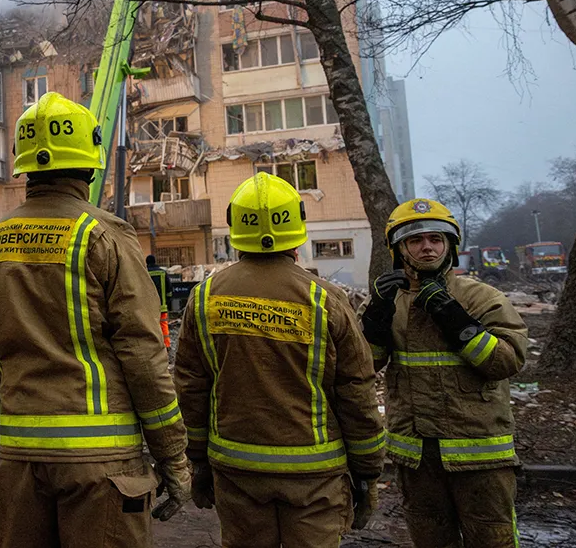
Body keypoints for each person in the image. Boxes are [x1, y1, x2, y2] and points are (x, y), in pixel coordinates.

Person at [0, 92, 191, 548]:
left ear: (25, 167)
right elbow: (144, 355)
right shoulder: (104, 236)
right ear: (89, 165)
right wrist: (173, 458)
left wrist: (12, 422)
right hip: (101, 468)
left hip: (19, 465)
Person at [174, 173, 385, 548]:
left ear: (236, 226)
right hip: (314, 476)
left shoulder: (205, 298)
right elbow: (356, 391)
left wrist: (198, 461)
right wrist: (367, 473)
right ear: (297, 227)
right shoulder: (326, 299)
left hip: (238, 471)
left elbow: (191, 387)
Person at [362, 198, 528, 547]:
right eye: (415, 240)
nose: (427, 248)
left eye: (436, 239)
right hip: (417, 458)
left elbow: (507, 362)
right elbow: (364, 367)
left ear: (450, 245)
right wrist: (375, 319)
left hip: (480, 456)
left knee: (493, 539)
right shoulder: (389, 300)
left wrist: (457, 321)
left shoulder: (482, 298)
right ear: (399, 249)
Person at [145, 255, 171, 348]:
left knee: (150, 327)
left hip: (148, 308)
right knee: (163, 325)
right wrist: (167, 302)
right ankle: (166, 345)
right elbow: (169, 290)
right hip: (162, 307)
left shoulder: (144, 273)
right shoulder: (163, 273)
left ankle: (152, 347)